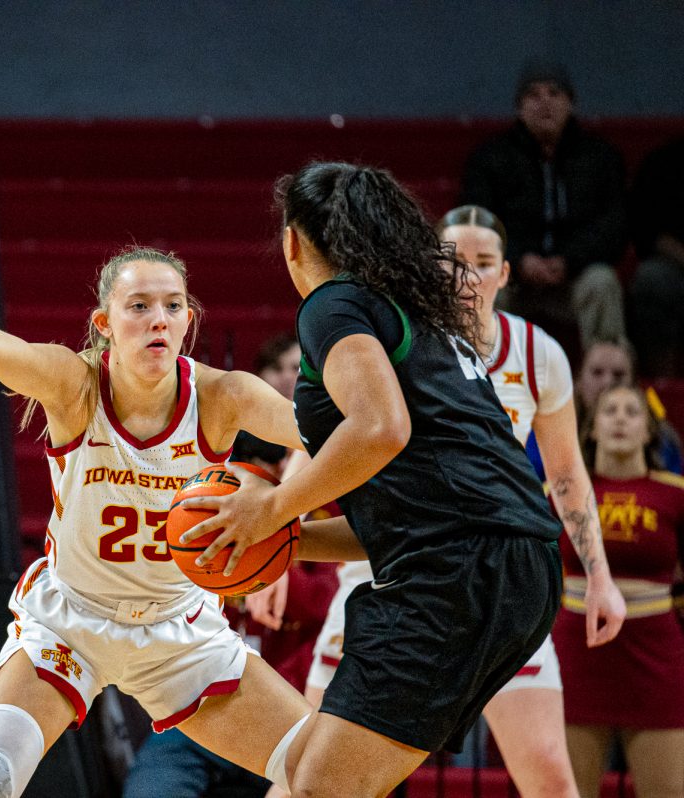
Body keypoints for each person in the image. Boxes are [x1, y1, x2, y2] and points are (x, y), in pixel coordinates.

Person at [0, 195, 365, 798]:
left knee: (329, 780)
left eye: (173, 307)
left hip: (182, 633)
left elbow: (341, 437)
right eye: (139, 306)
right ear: (104, 323)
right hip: (71, 622)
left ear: (188, 321)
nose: (158, 319)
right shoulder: (73, 386)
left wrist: (289, 503)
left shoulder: (226, 396)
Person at [177, 162, 572, 796]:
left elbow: (381, 428)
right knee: (314, 778)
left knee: (317, 787)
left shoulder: (333, 305)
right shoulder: (424, 320)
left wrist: (272, 508)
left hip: (455, 571)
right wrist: (292, 541)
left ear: (293, 242)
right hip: (518, 564)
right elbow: (413, 508)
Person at [261, 204, 626, 797]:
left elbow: (567, 475)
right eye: (453, 258)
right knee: (315, 769)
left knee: (549, 777)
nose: (467, 273)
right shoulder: (391, 329)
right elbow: (323, 436)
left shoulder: (538, 354)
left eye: (483, 263)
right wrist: (279, 528)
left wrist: (600, 574)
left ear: (506, 274)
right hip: (385, 567)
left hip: (488, 569)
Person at [120, 433, 337, 798]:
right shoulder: (194, 517)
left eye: (255, 475)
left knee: (324, 778)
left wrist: (275, 557)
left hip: (285, 712)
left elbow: (327, 608)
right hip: (203, 713)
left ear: (280, 473)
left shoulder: (315, 524)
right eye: (232, 476)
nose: (239, 495)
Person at [555, 385, 684, 798]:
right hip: (577, 646)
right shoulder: (557, 493)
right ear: (591, 429)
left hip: (656, 652)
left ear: (649, 432)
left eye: (633, 412)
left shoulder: (676, 495)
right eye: (610, 410)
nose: (621, 418)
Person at [459, 59, 626, 353]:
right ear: (519, 107)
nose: (544, 102)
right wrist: (520, 259)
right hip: (512, 276)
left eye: (554, 93)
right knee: (483, 284)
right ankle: (483, 383)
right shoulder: (490, 158)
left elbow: (614, 225)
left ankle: (605, 384)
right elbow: (476, 224)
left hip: (576, 276)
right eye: (533, 95)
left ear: (571, 103)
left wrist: (569, 260)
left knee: (602, 283)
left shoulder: (600, 158)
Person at [526, 340, 684, 478]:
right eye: (597, 372)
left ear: (635, 383)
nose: (607, 382)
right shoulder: (543, 434)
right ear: (578, 380)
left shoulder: (662, 438)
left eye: (619, 375)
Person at [628, 135, 684, 378]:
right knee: (652, 279)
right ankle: (662, 385)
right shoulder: (665, 162)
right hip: (676, 268)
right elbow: (646, 230)